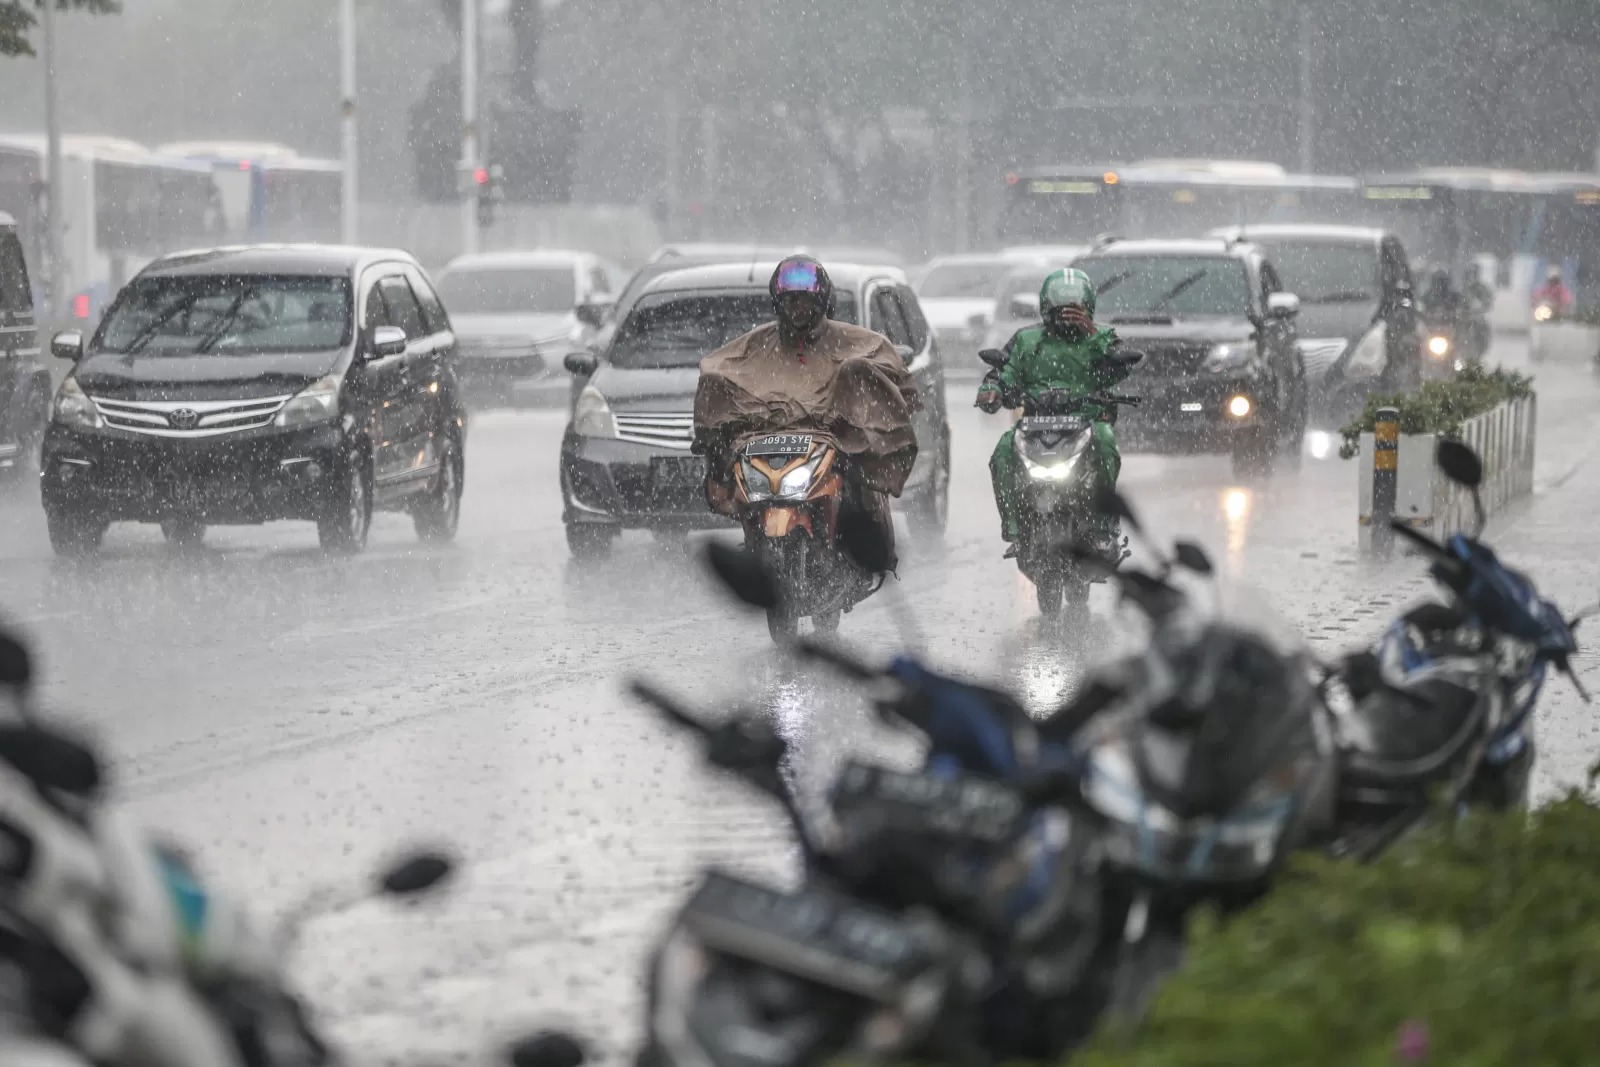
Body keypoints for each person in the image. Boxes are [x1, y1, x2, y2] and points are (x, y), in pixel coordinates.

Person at [692, 255, 920, 570]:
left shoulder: (854, 342)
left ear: (822, 302)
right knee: (732, 476)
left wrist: (854, 421)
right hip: (765, 445)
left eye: (805, 301)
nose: (797, 308)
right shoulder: (756, 345)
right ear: (778, 303)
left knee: (860, 487)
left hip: (834, 445)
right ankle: (753, 542)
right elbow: (718, 370)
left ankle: (863, 552)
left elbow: (889, 374)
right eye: (790, 301)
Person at [977, 268, 1134, 560]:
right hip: (1034, 425)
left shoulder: (1101, 338)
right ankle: (1014, 526)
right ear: (1045, 307)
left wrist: (1091, 335)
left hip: (1086, 424)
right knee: (1002, 451)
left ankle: (1102, 525)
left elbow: (1120, 364)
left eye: (1075, 309)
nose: (1067, 316)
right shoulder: (1025, 340)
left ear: (1088, 307)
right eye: (1060, 309)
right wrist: (993, 390)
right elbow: (1004, 371)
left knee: (1106, 441)